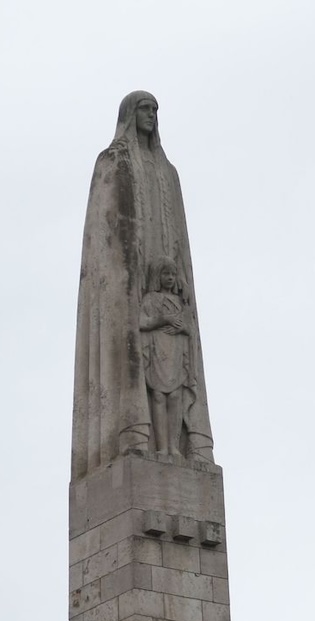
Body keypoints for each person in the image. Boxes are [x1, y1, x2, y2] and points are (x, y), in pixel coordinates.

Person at [71, 91, 214, 479]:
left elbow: (180, 239)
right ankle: (133, 432)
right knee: (133, 370)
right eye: (143, 109)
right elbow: (106, 237)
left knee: (174, 382)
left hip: (166, 293)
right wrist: (126, 280)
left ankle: (184, 444)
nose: (150, 115)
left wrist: (178, 279)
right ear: (129, 116)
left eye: (154, 110)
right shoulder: (113, 161)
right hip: (127, 287)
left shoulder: (169, 174)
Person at [140, 258, 191, 456]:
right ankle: (161, 447)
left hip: (176, 349)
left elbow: (189, 329)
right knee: (159, 397)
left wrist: (182, 327)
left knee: (176, 396)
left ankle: (174, 447)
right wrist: (163, 319)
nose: (169, 278)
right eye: (165, 274)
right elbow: (142, 322)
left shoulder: (180, 301)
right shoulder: (151, 298)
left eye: (172, 274)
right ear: (158, 276)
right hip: (157, 348)